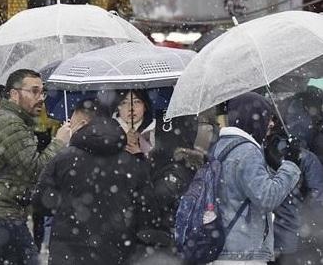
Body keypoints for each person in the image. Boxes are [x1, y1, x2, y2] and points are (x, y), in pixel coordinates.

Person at [0, 69, 72, 265]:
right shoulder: (10, 124)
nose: (41, 98)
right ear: (14, 94)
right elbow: (35, 171)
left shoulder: (5, 119)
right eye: (34, 91)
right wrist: (59, 142)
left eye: (42, 92)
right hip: (0, 221)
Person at [36, 101, 149, 265]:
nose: (68, 125)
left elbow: (41, 203)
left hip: (68, 253)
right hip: (116, 252)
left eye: (71, 122)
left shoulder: (64, 159)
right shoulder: (130, 163)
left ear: (82, 124)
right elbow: (147, 211)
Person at [212, 92, 301, 265]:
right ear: (253, 118)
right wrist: (290, 164)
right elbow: (267, 198)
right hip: (244, 253)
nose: (272, 123)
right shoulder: (247, 152)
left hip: (224, 246)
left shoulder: (221, 146)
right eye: (267, 117)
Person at [133, 115, 205, 263]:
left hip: (162, 246)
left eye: (157, 133)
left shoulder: (178, 169)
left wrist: (140, 160)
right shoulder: (164, 162)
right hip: (156, 244)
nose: (153, 138)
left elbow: (152, 201)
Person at [265, 122, 323, 265]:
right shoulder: (307, 158)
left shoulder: (259, 157)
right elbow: (317, 199)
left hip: (272, 242)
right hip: (302, 239)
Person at [115, 89, 154, 157]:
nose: (131, 108)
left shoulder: (156, 128)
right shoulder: (107, 129)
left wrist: (142, 152)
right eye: (124, 102)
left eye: (136, 101)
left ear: (145, 106)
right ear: (118, 107)